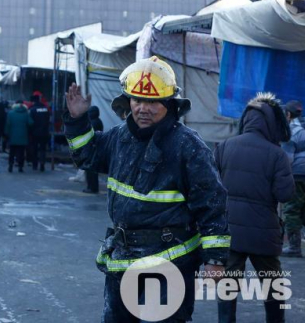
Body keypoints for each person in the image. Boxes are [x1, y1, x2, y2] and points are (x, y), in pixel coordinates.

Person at [65, 56, 229, 323]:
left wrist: (215, 259)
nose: (143, 108)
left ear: (169, 104)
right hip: (122, 260)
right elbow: (87, 156)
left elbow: (211, 203)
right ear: (128, 102)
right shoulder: (119, 137)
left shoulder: (188, 145)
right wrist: (78, 120)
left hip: (169, 262)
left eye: (152, 101)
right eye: (137, 100)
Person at [214, 93, 295, 323]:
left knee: (228, 288)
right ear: (272, 123)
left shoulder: (224, 147)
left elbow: (211, 188)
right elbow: (285, 194)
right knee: (273, 287)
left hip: (230, 231)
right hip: (264, 233)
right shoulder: (277, 154)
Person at [281, 100, 305, 258]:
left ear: (289, 114)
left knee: (291, 210)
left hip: (297, 176)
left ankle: (294, 247)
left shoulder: (291, 130)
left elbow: (288, 159)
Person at [5, 100, 33, 173]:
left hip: (12, 136)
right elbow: (31, 123)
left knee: (12, 152)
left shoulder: (10, 113)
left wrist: (6, 134)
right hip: (23, 136)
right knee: (21, 153)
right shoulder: (26, 113)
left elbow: (7, 125)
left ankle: (10, 166)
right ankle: (20, 167)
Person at [83, 106, 103, 193]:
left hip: (92, 148)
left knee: (90, 169)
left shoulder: (93, 123)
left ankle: (92, 188)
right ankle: (91, 187)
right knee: (92, 169)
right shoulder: (97, 121)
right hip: (95, 147)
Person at [29, 94, 50, 172]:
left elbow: (30, 122)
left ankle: (35, 165)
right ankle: (42, 164)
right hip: (44, 132)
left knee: (34, 149)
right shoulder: (45, 108)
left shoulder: (32, 109)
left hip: (35, 132)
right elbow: (48, 120)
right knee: (43, 149)